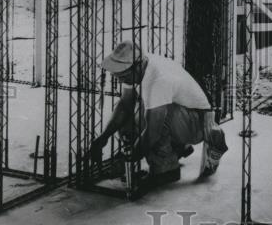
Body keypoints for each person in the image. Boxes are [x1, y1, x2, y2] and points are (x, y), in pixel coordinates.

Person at [86, 39, 228, 188]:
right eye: (118, 76)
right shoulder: (138, 66)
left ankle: (166, 170)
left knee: (147, 119)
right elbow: (125, 105)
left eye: (123, 76)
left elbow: (152, 132)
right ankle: (177, 149)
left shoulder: (158, 80)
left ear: (138, 66)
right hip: (181, 113)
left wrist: (130, 158)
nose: (121, 80)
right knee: (130, 116)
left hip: (197, 123)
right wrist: (103, 138)